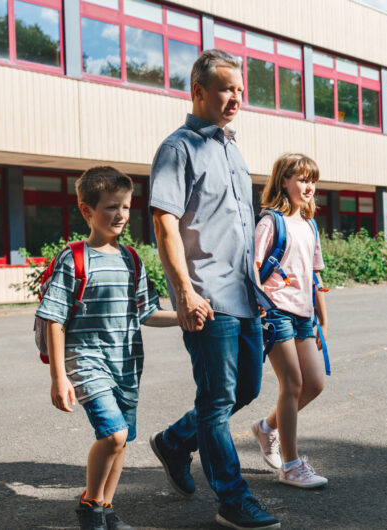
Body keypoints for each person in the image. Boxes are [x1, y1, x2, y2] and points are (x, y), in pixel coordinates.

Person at [148, 49, 280, 530]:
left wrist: (260, 287)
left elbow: (240, 230)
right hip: (205, 295)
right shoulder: (178, 148)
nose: (236, 98)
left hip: (243, 295)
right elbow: (165, 223)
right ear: (199, 91)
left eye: (241, 90)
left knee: (247, 388)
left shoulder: (232, 150)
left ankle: (174, 442)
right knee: (218, 399)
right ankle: (232, 498)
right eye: (227, 89)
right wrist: (184, 292)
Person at [37, 166, 198, 530]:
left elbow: (147, 312)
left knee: (120, 441)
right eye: (111, 207)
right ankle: (90, 506)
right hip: (85, 361)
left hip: (126, 364)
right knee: (114, 434)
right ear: (86, 210)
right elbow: (54, 318)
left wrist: (185, 315)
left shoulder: (131, 259)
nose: (121, 214)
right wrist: (58, 377)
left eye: (125, 206)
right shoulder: (73, 258)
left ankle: (106, 509)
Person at [251, 154, 329, 489]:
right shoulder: (271, 222)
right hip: (276, 311)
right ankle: (291, 465)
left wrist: (322, 318)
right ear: (284, 181)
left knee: (315, 384)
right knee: (293, 383)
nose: (309, 187)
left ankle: (266, 427)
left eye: (312, 181)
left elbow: (314, 275)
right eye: (302, 179)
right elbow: (253, 267)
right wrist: (260, 305)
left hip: (303, 315)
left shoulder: (309, 224)